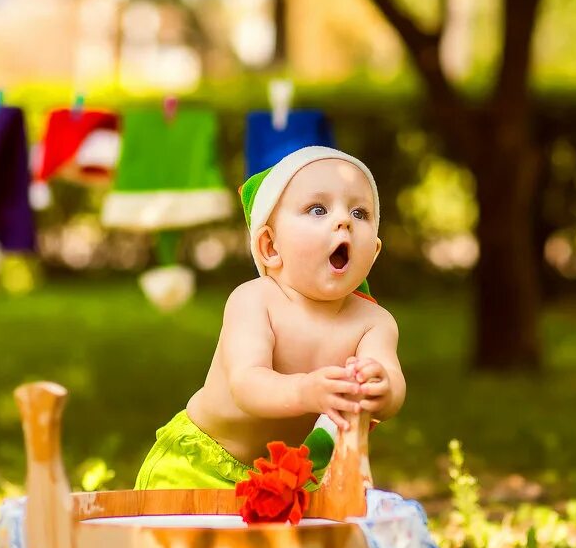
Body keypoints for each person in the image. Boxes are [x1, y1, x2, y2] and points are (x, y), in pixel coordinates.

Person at [135, 146, 405, 490]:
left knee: (295, 544)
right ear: (270, 247)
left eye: (360, 212)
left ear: (375, 252)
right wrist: (307, 391)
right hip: (201, 465)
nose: (344, 220)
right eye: (318, 209)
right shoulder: (255, 299)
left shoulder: (373, 322)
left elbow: (392, 387)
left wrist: (381, 388)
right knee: (174, 541)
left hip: (293, 474)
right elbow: (247, 384)